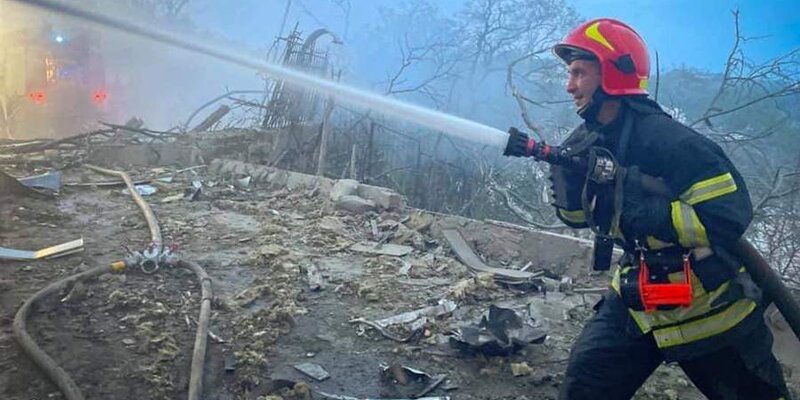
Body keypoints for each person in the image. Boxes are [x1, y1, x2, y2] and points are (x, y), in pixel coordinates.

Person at [505, 18, 790, 399]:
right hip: (637, 304)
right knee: (583, 388)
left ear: (612, 75)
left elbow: (727, 217)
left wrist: (643, 210)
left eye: (579, 73)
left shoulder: (672, 142)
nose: (569, 85)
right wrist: (567, 187)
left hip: (709, 310)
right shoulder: (587, 140)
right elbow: (578, 219)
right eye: (569, 73)